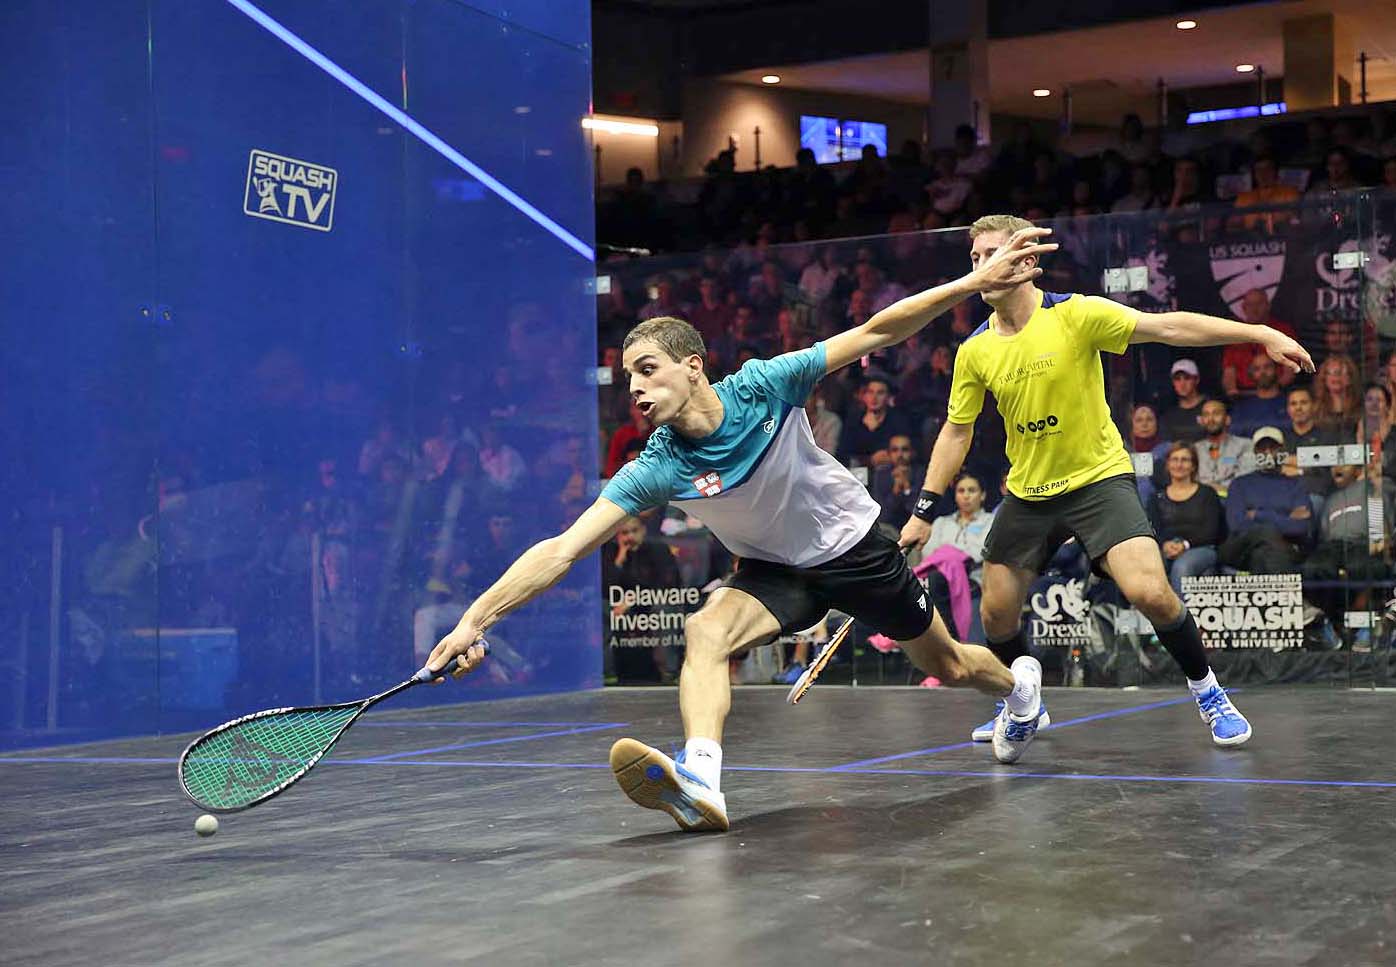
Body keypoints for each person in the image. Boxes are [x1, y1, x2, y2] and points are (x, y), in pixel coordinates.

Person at [426, 229, 1060, 832]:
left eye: (647, 369)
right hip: (773, 571)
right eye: (628, 379)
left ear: (692, 366)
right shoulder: (658, 464)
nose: (635, 389)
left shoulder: (765, 386)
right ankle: (701, 779)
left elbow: (875, 331)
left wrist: (971, 283)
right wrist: (474, 621)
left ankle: (1020, 690)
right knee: (705, 631)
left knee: (948, 664)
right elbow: (563, 549)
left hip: (854, 548)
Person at [900, 214, 1314, 752]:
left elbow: (1168, 327)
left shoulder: (1076, 315)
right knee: (996, 614)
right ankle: (1022, 702)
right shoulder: (975, 350)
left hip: (1098, 480)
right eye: (975, 257)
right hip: (1028, 493)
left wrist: (1260, 333)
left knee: (1151, 593)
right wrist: (924, 510)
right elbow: (957, 432)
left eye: (993, 253)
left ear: (1027, 262)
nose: (981, 266)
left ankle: (1209, 692)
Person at [1218, 428, 1313, 574]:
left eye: (1273, 448)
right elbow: (1237, 525)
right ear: (1255, 453)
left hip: (1274, 552)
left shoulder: (1295, 485)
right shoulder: (1240, 484)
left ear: (1282, 451)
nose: (1267, 453)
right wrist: (1285, 519)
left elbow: (1300, 527)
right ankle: (1287, 587)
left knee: (1261, 555)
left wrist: (1258, 515)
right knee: (1267, 534)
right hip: (1240, 549)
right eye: (1262, 449)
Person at [1148, 444, 1225, 596]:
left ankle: (1182, 612)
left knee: (1182, 567)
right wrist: (1164, 544)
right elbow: (1153, 528)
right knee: (1149, 565)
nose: (1179, 464)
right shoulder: (1156, 498)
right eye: (1174, 459)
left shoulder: (1207, 494)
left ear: (1193, 466)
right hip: (1167, 547)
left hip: (1202, 547)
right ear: (1168, 464)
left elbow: (1212, 531)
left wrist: (1184, 545)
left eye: (1185, 460)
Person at [1194, 399, 1254, 496]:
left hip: (1233, 498)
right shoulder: (1194, 449)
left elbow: (1245, 480)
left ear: (1227, 420)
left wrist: (1217, 489)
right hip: (1201, 500)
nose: (1211, 419)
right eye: (1206, 415)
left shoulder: (1245, 445)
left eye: (1216, 414)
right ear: (1201, 421)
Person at [1229, 355, 1289, 437]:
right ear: (1251, 374)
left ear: (1276, 370)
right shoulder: (1242, 407)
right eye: (1257, 369)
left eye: (1267, 367)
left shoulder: (1290, 402)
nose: (1262, 372)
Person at [1159, 359, 1207, 444]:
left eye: (1187, 378)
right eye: (1177, 379)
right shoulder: (1168, 414)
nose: (1182, 384)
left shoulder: (1209, 407)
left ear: (1197, 380)